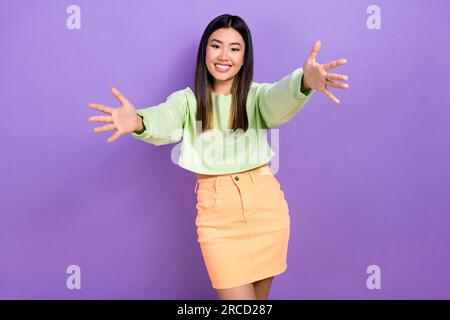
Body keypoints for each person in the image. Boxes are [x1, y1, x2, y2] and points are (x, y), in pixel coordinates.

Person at [87, 14, 349, 300]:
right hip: (217, 216)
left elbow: (279, 98)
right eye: (216, 46)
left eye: (235, 48)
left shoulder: (256, 96)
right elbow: (166, 117)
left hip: (265, 206)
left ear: (244, 57)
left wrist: (303, 83)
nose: (224, 56)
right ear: (204, 51)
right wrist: (138, 120)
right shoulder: (187, 100)